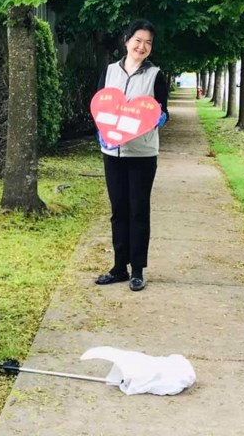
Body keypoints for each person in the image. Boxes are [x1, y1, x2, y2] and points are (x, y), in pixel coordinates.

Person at [94, 20, 169, 292]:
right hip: (111, 151)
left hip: (142, 153)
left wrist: (159, 118)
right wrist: (101, 131)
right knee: (118, 210)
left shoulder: (155, 75)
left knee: (138, 210)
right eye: (138, 40)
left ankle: (137, 270)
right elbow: (99, 105)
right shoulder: (110, 71)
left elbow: (164, 111)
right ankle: (118, 268)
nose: (142, 46)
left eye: (148, 42)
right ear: (126, 41)